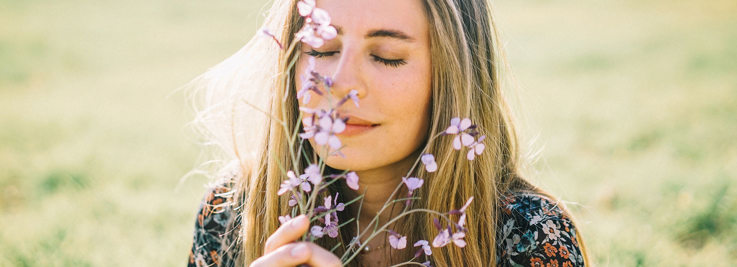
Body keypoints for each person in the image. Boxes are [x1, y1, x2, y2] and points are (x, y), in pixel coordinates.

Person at [187, 0, 589, 266]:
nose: (340, 82)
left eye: (386, 57)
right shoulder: (232, 213)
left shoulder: (525, 234)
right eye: (323, 50)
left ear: (452, 77)